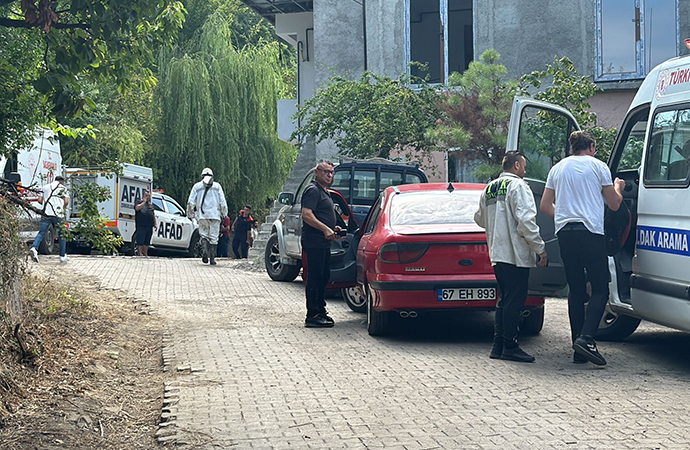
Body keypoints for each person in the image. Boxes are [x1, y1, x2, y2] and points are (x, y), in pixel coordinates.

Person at [540, 131, 624, 366]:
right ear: (591, 147)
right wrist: (618, 186)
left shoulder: (557, 168)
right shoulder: (599, 167)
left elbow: (546, 205)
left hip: (566, 233)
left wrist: (566, 217)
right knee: (600, 289)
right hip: (591, 233)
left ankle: (578, 349)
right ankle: (587, 338)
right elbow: (614, 204)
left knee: (576, 290)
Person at [474, 151, 548, 363]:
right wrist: (540, 249)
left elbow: (478, 218)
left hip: (497, 252)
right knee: (515, 300)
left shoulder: (489, 188)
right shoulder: (519, 187)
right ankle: (510, 346)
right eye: (523, 166)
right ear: (516, 166)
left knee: (504, 299)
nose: (525, 170)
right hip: (515, 253)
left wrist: (497, 221)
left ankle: (498, 345)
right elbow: (526, 222)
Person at [302, 160, 343, 328]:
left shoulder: (324, 191)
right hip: (315, 242)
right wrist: (326, 229)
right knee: (315, 277)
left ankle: (320, 309)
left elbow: (321, 215)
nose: (329, 175)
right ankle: (313, 314)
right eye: (326, 172)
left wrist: (334, 228)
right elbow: (307, 215)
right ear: (316, 172)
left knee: (323, 276)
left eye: (331, 173)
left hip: (324, 243)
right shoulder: (312, 190)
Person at [187, 168, 228, 265]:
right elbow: (222, 201)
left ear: (202, 176)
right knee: (214, 237)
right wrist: (224, 213)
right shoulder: (217, 186)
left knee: (204, 235)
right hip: (215, 215)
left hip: (202, 215)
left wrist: (190, 214)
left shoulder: (197, 186)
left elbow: (190, 201)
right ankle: (212, 258)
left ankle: (204, 250)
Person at [29, 175, 70, 263]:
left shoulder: (45, 187)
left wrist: (46, 206)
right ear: (62, 181)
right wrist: (60, 207)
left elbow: (39, 200)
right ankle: (62, 256)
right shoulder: (63, 188)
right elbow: (66, 201)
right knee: (62, 234)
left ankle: (34, 248)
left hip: (46, 213)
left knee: (42, 232)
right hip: (58, 214)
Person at [134, 188, 157, 257]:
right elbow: (137, 208)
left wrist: (155, 224)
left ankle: (145, 253)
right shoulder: (139, 202)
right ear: (143, 196)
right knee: (140, 239)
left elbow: (153, 215)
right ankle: (140, 253)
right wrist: (143, 202)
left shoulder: (150, 205)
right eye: (146, 195)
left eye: (148, 196)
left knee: (147, 240)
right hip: (141, 225)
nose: (147, 197)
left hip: (149, 225)